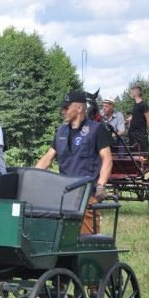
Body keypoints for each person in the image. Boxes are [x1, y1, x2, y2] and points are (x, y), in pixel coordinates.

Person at [36, 90, 113, 234]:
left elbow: (107, 159)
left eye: (66, 107)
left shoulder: (96, 129)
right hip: (65, 196)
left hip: (87, 196)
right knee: (63, 238)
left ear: (79, 108)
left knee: (87, 240)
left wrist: (101, 185)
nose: (62, 111)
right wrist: (32, 178)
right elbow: (47, 159)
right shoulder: (61, 132)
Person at [126, 85, 149, 154]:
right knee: (134, 150)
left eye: (131, 93)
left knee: (145, 151)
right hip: (132, 131)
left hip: (140, 132)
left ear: (134, 94)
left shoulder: (143, 104)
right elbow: (135, 115)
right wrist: (125, 121)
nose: (130, 95)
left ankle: (148, 163)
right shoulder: (135, 104)